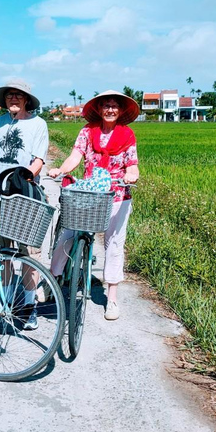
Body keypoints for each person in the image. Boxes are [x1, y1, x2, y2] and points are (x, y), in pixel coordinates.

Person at [48, 90, 139, 321]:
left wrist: (131, 175)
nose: (110, 110)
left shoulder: (128, 135)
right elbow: (75, 157)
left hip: (117, 194)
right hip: (89, 193)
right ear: (99, 109)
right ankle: (51, 280)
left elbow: (132, 164)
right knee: (67, 236)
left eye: (114, 106)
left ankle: (112, 298)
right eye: (106, 106)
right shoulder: (87, 132)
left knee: (114, 244)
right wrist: (61, 169)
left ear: (121, 111)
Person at [0, 80, 49, 329]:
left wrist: (21, 179)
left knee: (27, 253)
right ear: (4, 101)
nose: (13, 99)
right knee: (2, 252)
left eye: (18, 95)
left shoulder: (38, 124)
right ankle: (5, 305)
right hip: (0, 197)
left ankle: (28, 307)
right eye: (9, 96)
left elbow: (38, 162)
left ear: (26, 99)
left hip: (25, 195)